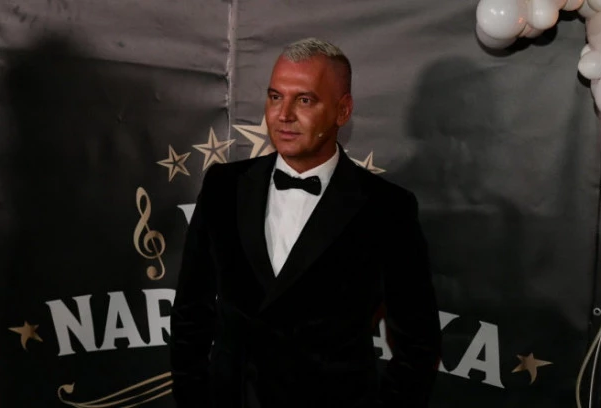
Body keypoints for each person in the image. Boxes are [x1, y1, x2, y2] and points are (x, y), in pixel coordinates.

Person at [170, 37, 441, 408]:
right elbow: (190, 315)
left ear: (342, 111)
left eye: (305, 100)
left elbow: (419, 343)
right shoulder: (223, 187)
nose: (283, 114)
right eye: (275, 96)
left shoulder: (387, 209)